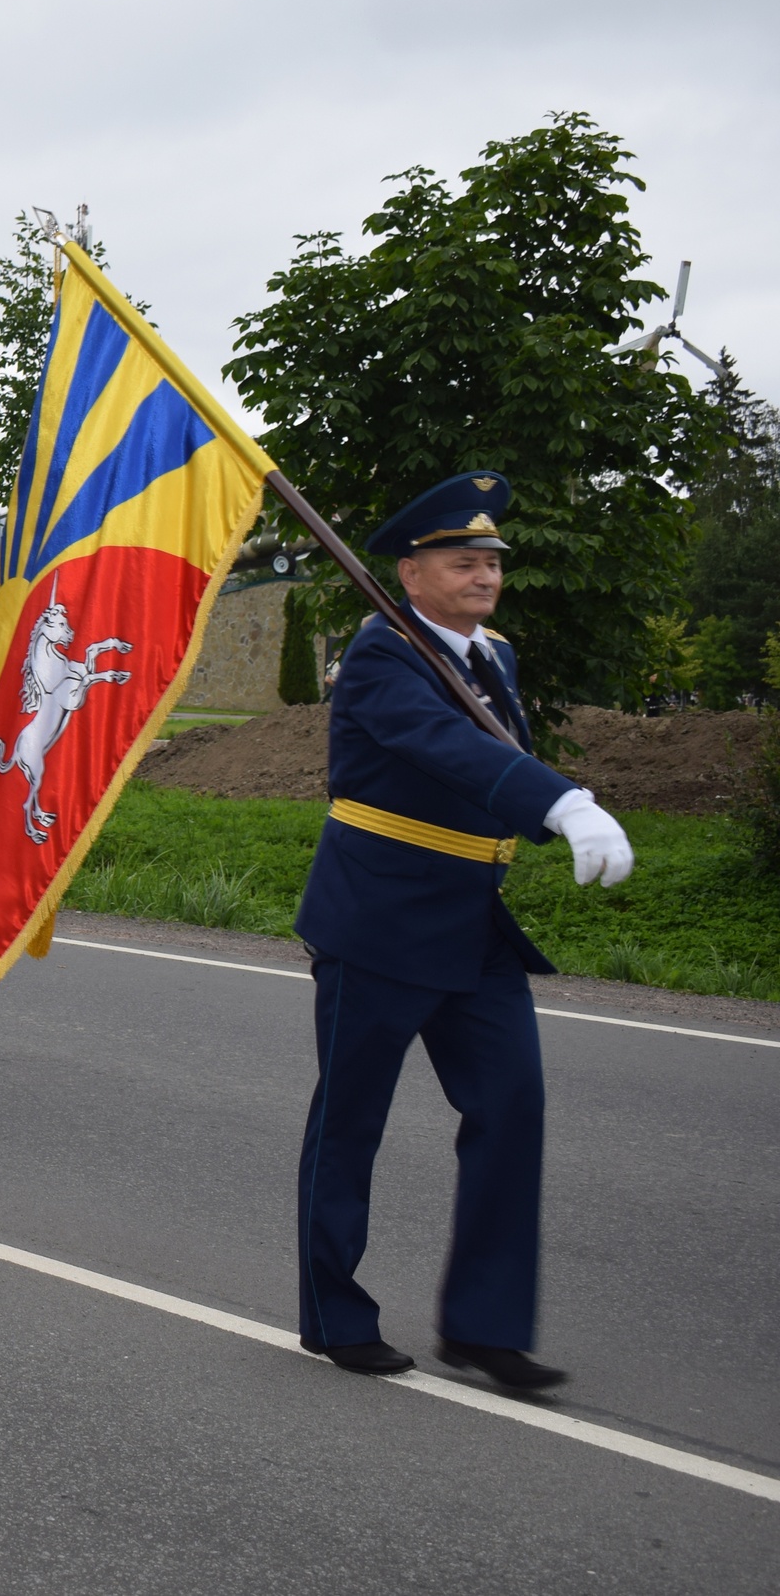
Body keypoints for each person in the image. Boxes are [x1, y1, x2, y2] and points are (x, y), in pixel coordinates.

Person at [292, 472, 632, 1390]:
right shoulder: (379, 657)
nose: (484, 574)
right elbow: (449, 747)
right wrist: (559, 800)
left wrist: (547, 800)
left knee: (511, 1106)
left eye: (491, 561)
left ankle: (484, 1324)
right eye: (463, 559)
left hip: (473, 924)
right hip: (379, 920)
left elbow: (487, 750)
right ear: (411, 569)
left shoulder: (495, 656)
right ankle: (334, 1312)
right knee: (351, 1122)